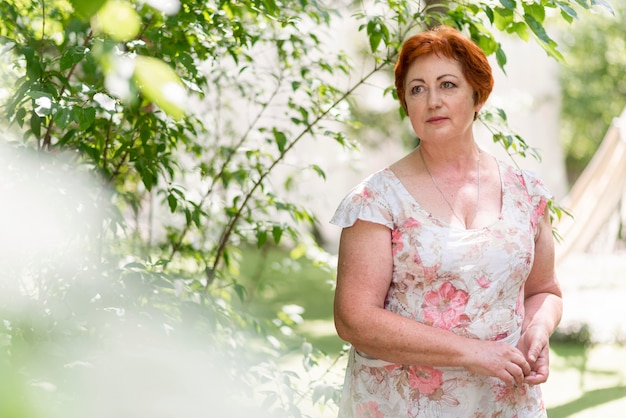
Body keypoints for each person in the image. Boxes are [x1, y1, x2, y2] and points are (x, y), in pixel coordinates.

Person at [330, 25, 563, 417]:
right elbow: (354, 320)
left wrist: (536, 332)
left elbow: (545, 291)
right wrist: (472, 353)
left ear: (477, 94)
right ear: (406, 104)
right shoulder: (375, 200)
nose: (432, 100)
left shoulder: (528, 192)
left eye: (448, 85)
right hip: (405, 404)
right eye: (417, 89)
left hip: (504, 401)